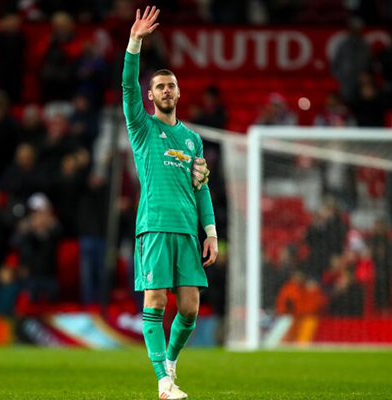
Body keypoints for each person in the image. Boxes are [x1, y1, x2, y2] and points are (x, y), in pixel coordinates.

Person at [123, 7, 216, 399]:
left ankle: (170, 363)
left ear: (178, 93)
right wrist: (135, 42)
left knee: (190, 309)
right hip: (155, 226)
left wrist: (210, 232)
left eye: (170, 86)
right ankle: (163, 381)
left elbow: (201, 187)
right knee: (157, 301)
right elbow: (127, 87)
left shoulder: (193, 140)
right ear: (151, 95)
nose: (165, 91)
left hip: (187, 231)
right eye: (159, 86)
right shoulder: (142, 129)